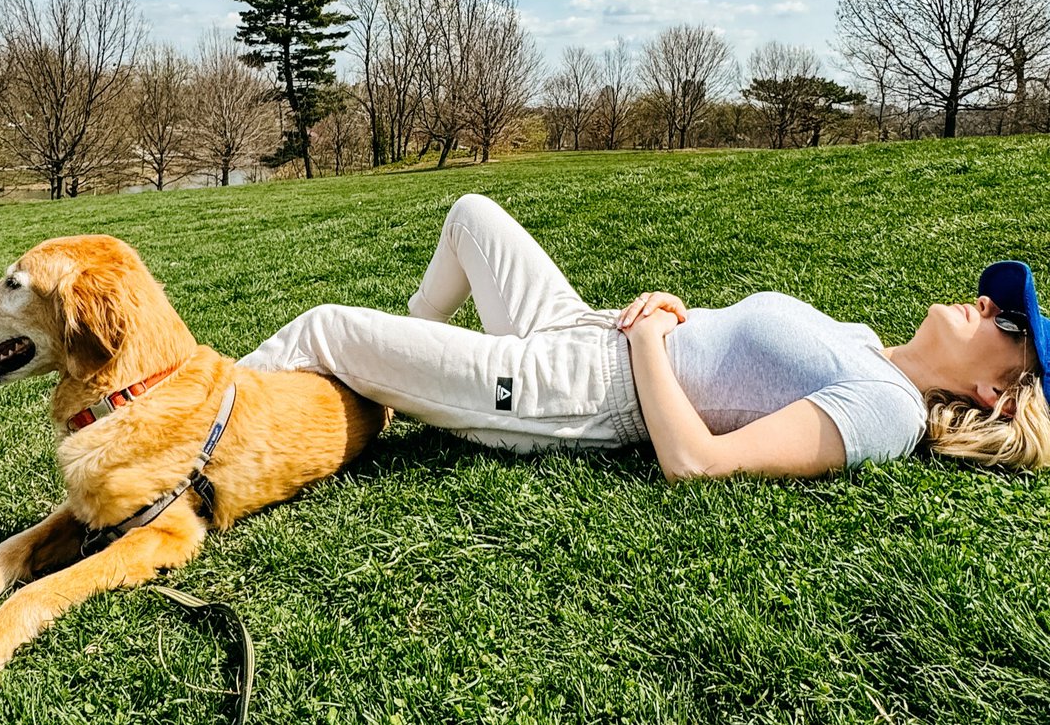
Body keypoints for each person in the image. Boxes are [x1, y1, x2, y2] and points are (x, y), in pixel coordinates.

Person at [238, 194, 1050, 479]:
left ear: (996, 395)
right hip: (586, 326)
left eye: (1006, 321)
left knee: (327, 328)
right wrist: (673, 309)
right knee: (471, 215)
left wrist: (650, 343)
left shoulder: (888, 409)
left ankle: (184, 433)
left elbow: (699, 463)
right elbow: (732, 351)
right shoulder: (864, 340)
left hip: (584, 387)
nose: (985, 301)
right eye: (998, 298)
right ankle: (392, 384)